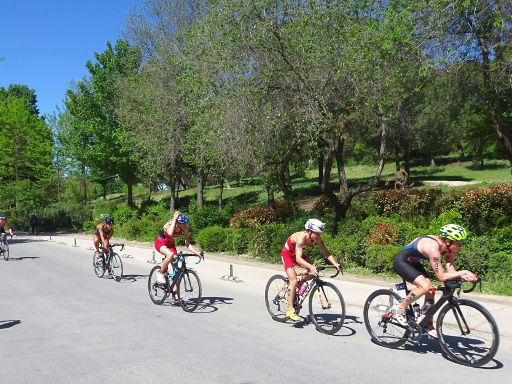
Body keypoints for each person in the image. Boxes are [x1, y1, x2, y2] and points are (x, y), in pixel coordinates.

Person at [391, 224, 477, 337]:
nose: (460, 245)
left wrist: (462, 276)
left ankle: (426, 322)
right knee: (424, 286)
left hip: (414, 263)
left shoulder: (449, 249)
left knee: (430, 290)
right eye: (458, 242)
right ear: (447, 241)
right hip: (401, 262)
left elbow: (450, 268)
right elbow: (441, 276)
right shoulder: (433, 247)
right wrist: (463, 272)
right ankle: (399, 308)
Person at [280, 218, 341, 321]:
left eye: (319, 234)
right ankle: (290, 310)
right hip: (287, 254)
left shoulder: (316, 238)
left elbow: (326, 252)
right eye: (317, 233)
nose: (319, 236)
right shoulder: (301, 237)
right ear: (309, 231)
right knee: (293, 280)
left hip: (297, 254)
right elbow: (298, 259)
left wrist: (335, 263)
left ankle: (300, 282)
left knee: (314, 271)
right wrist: (310, 266)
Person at [154, 210, 203, 285]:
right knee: (170, 254)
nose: (184, 225)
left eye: (186, 223)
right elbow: (170, 234)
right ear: (177, 222)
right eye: (182, 224)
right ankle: (160, 273)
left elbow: (188, 244)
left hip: (170, 244)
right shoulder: (169, 225)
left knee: (177, 270)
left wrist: (197, 252)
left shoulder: (185, 228)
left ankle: (174, 292)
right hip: (161, 242)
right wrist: (174, 219)